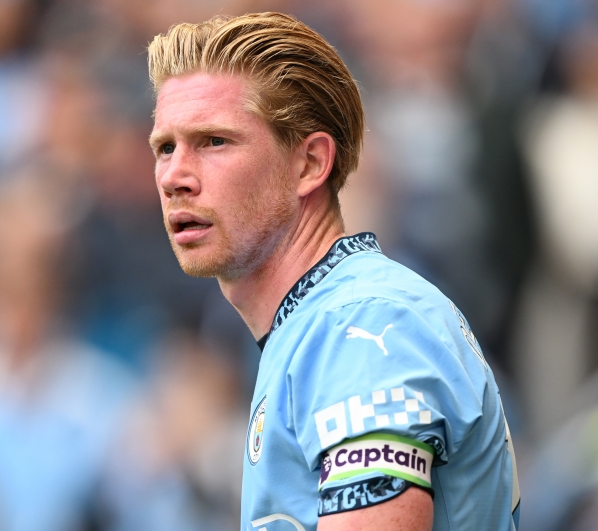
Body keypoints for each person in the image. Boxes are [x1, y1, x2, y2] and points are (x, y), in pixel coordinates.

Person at [146, 12, 520, 531]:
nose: (175, 177)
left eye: (214, 142)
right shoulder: (317, 326)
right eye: (165, 147)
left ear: (310, 164)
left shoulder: (363, 327)